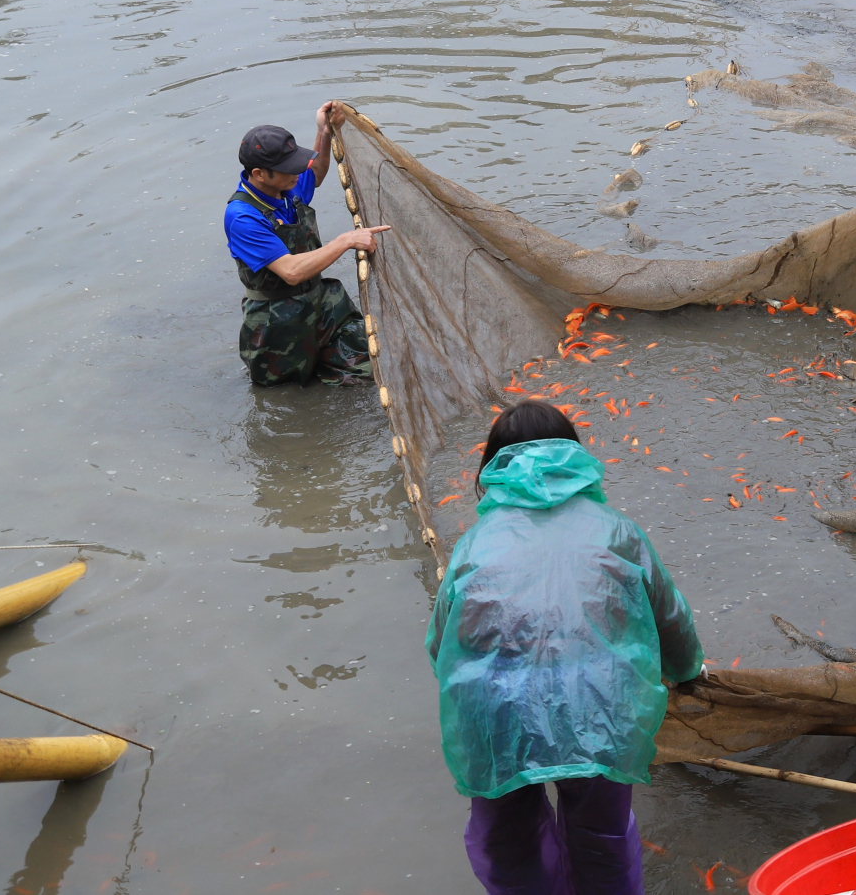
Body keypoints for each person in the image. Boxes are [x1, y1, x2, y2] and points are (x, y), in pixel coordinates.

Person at [429, 401, 703, 895]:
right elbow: (668, 617)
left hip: (498, 714)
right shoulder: (617, 529)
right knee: (600, 834)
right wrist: (687, 672)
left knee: (508, 839)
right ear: (574, 454)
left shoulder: (474, 543)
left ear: (492, 465)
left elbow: (442, 643)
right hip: (599, 708)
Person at [223, 106, 388, 386]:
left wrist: (324, 132)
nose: (298, 173)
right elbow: (291, 271)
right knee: (286, 394)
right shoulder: (242, 217)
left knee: (372, 368)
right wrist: (346, 240)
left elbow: (317, 172)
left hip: (322, 304)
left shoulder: (285, 189)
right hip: (278, 324)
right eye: (288, 169)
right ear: (259, 174)